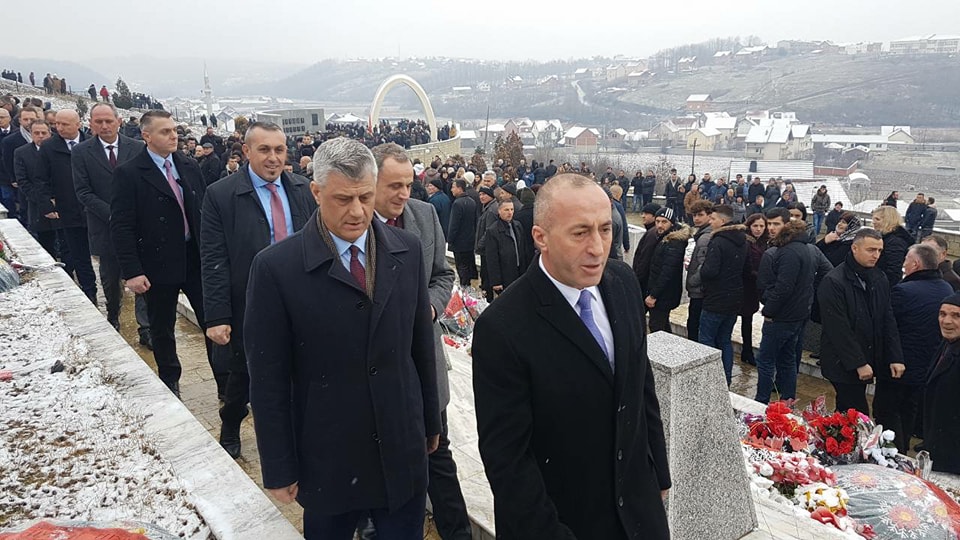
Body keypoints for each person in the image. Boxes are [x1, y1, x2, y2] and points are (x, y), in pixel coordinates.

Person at [244, 137, 441, 539]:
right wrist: (279, 465)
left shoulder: (407, 249)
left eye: (365, 197)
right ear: (316, 192)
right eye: (342, 199)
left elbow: (420, 343)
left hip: (400, 449)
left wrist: (429, 421)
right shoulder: (276, 269)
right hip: (328, 457)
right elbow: (268, 378)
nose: (356, 212)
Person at [472, 173, 671, 540]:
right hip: (564, 519)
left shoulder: (623, 282)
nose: (598, 247)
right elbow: (508, 460)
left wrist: (657, 471)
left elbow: (640, 383)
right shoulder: (502, 328)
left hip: (639, 511)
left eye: (606, 230)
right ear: (541, 238)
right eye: (580, 233)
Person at [367, 142, 470, 540]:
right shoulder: (353, 224)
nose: (403, 194)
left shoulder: (424, 216)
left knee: (438, 451)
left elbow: (443, 276)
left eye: (409, 184)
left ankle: (456, 532)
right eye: (394, 185)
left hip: (422, 359)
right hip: (373, 365)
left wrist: (428, 307)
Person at [199, 122, 316, 459]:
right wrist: (218, 315)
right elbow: (214, 258)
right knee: (245, 372)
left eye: (279, 150)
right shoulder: (221, 195)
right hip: (249, 300)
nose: (273, 158)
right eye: (264, 150)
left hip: (299, 299)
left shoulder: (302, 189)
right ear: (247, 152)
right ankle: (231, 423)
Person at [111, 110, 222, 398]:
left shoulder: (188, 165)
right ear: (146, 136)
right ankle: (170, 379)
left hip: (195, 257)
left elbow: (204, 212)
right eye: (165, 132)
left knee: (213, 321)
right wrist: (133, 271)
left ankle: (226, 384)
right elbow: (121, 226)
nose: (173, 136)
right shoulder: (130, 172)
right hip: (157, 262)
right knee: (162, 327)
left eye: (174, 130)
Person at [71, 103, 150, 344]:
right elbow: (83, 191)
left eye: (108, 121)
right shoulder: (82, 152)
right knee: (110, 276)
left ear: (118, 121)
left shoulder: (136, 148)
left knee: (140, 275)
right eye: (99, 122)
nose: (104, 126)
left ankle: (145, 327)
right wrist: (114, 214)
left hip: (137, 227)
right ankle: (113, 313)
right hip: (104, 226)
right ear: (91, 123)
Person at [818, 228, 904, 415]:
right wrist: (858, 362)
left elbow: (887, 319)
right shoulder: (834, 281)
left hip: (869, 356)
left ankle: (836, 439)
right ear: (855, 248)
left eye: (880, 251)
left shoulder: (879, 278)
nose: (876, 255)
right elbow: (838, 328)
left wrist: (895, 356)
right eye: (871, 250)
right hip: (843, 361)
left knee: (846, 411)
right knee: (857, 413)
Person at [879, 244, 952, 452]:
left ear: (915, 264)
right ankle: (902, 449)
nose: (903, 264)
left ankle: (893, 454)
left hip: (899, 364)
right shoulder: (945, 288)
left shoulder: (903, 291)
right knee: (909, 411)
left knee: (888, 412)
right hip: (927, 364)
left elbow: (889, 327)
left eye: (906, 261)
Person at [754, 209, 821, 404]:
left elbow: (784, 287)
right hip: (797, 314)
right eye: (770, 224)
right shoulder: (805, 248)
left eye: (775, 225)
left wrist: (769, 310)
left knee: (766, 361)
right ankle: (787, 402)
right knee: (788, 360)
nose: (771, 228)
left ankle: (761, 402)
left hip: (782, 317)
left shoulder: (789, 251)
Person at [37, 110, 98, 302]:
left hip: (95, 209)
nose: (59, 128)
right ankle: (90, 292)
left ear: (78, 124)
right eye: (57, 124)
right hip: (68, 208)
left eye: (65, 124)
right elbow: (41, 179)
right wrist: (48, 205)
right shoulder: (48, 148)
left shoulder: (92, 144)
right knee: (78, 253)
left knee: (104, 252)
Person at [698, 204, 746, 384]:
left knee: (707, 339)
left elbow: (709, 271)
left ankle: (709, 380)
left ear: (723, 221)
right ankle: (725, 378)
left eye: (713, 219)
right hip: (734, 298)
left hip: (716, 298)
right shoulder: (742, 240)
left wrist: (702, 268)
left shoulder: (718, 241)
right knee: (725, 340)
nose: (710, 222)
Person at [923, 293, 960, 474]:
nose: (946, 321)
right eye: (942, 314)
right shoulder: (948, 343)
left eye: (956, 316)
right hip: (939, 439)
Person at [645, 207, 691, 334]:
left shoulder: (674, 242)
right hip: (662, 293)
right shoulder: (665, 238)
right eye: (657, 221)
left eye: (664, 222)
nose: (659, 225)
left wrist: (654, 295)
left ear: (671, 223)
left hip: (664, 295)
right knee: (663, 325)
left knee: (657, 327)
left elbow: (667, 272)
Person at [3, 106, 42, 225]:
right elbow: (7, 160)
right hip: (23, 181)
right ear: (19, 120)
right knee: (26, 209)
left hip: (42, 181)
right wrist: (13, 178)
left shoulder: (46, 137)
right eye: (26, 119)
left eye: (32, 119)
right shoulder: (10, 140)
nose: (29, 122)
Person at [484, 200, 530, 296]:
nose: (510, 213)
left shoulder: (517, 226)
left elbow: (523, 249)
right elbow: (492, 258)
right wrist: (496, 281)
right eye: (506, 210)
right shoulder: (493, 231)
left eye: (512, 209)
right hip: (505, 273)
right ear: (499, 211)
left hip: (519, 271)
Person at [740, 213, 768, 366]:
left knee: (748, 319)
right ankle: (747, 350)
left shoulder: (765, 242)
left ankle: (747, 349)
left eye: (761, 226)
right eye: (755, 226)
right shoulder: (745, 241)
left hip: (755, 288)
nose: (758, 229)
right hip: (745, 284)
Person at [685, 200, 714, 342]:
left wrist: (692, 281)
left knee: (694, 326)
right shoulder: (703, 234)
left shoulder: (705, 237)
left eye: (700, 215)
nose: (696, 218)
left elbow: (704, 265)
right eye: (694, 215)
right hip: (702, 290)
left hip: (700, 291)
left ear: (709, 216)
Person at [872, 205, 913, 289]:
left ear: (888, 221)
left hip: (884, 285)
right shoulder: (886, 237)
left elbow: (893, 270)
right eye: (873, 219)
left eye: (877, 219)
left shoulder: (895, 241)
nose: (873, 222)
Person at [448, 178, 478, 287]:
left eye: (453, 187)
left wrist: (450, 240)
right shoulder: (472, 201)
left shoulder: (457, 203)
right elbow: (476, 221)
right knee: (468, 263)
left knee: (461, 266)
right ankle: (468, 285)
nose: (451, 189)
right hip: (470, 240)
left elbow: (454, 224)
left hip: (459, 242)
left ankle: (464, 287)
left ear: (460, 188)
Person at [631, 202, 662, 297]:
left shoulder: (652, 234)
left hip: (644, 281)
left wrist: (636, 279)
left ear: (654, 216)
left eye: (646, 214)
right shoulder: (651, 231)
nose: (643, 216)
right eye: (642, 213)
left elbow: (644, 258)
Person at [475, 185, 499, 301]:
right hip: (486, 248)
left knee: (486, 277)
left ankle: (487, 300)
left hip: (487, 249)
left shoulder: (491, 210)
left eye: (484, 194)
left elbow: (488, 231)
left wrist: (480, 244)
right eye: (480, 194)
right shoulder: (488, 207)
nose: (481, 197)